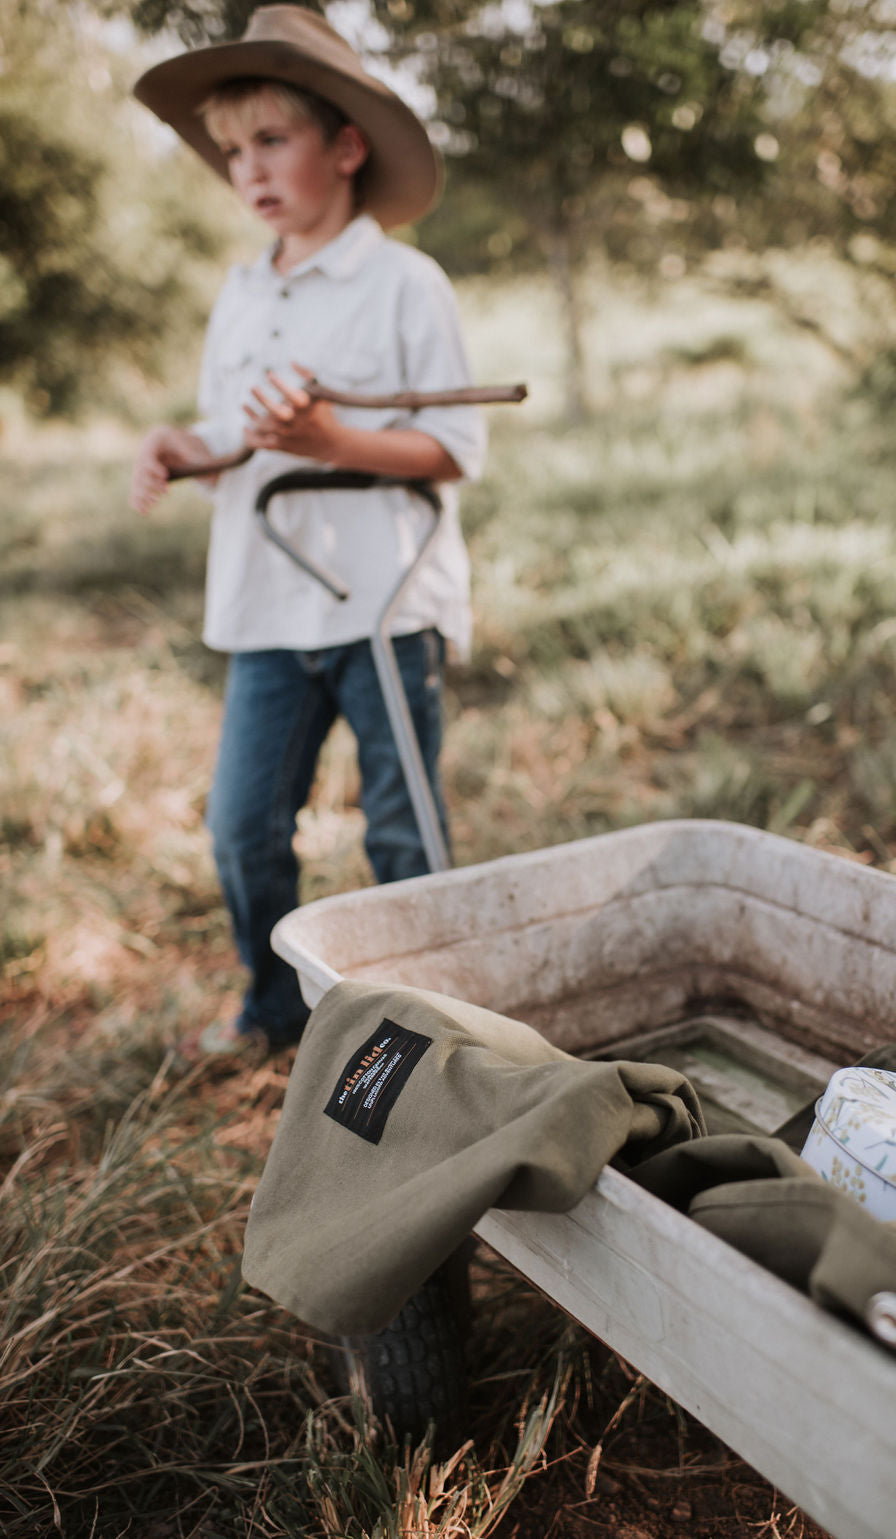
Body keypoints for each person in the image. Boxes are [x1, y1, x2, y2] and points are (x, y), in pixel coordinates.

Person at [129, 5, 487, 1055]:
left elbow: (454, 445)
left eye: (271, 141)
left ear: (345, 146)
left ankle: (432, 1033)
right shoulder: (241, 292)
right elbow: (231, 431)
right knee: (243, 828)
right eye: (233, 150)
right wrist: (182, 447)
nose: (249, 169)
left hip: (383, 601)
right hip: (267, 604)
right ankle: (274, 1008)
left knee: (399, 827)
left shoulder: (404, 283)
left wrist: (333, 437)